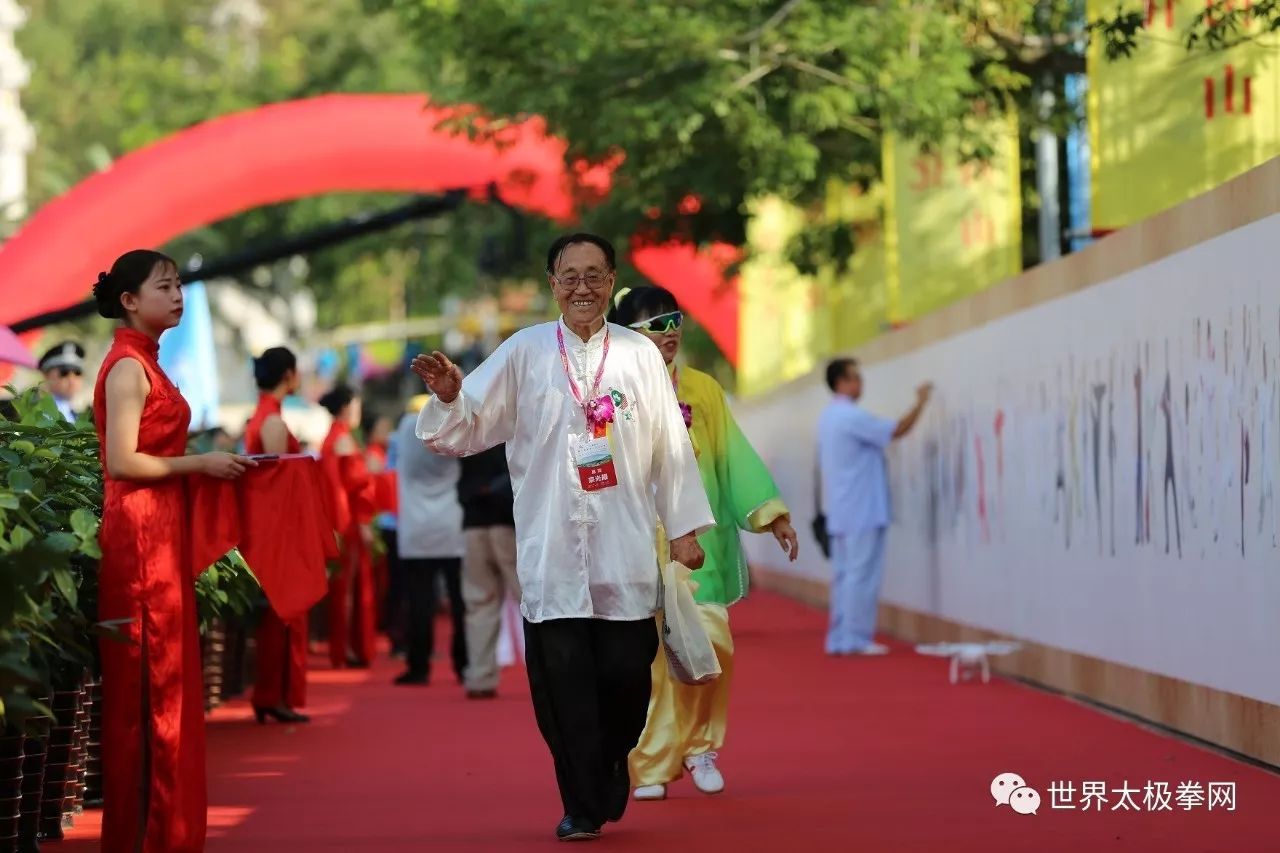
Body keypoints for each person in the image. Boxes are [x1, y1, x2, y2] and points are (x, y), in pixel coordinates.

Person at [412, 233, 714, 842]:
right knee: (564, 691)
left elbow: (670, 449)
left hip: (624, 554)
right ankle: (580, 803)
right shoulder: (523, 352)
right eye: (569, 275)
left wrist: (683, 529)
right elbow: (466, 427)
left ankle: (608, 766)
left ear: (611, 282)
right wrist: (450, 395)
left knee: (629, 681)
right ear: (553, 283)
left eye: (594, 275)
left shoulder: (638, 355)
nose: (582, 287)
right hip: (550, 557)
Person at [91, 249, 256, 851]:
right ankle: (151, 836)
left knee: (167, 688)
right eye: (166, 286)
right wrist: (202, 462)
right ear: (130, 301)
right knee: (150, 691)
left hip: (158, 531)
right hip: (138, 537)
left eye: (180, 285)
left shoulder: (146, 362)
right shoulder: (127, 367)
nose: (179, 295)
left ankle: (167, 830)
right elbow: (123, 461)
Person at [610, 285, 799, 802]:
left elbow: (733, 457)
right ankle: (649, 766)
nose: (669, 332)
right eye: (654, 323)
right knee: (650, 659)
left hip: (702, 545)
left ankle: (700, 747)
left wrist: (770, 515)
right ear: (627, 334)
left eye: (673, 319)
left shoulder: (704, 390)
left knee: (711, 644)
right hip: (635, 544)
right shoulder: (609, 394)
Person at [817, 357, 932, 656]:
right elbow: (896, 430)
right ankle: (855, 638)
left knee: (845, 576)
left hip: (842, 510)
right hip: (861, 509)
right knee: (860, 576)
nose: (861, 383)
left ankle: (840, 637)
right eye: (855, 377)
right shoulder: (850, 417)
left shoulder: (829, 417)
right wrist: (920, 403)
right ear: (841, 382)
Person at [245, 347, 311, 724]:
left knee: (279, 615)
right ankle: (272, 694)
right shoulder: (270, 421)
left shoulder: (267, 416)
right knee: (282, 615)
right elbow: (276, 485)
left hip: (275, 527)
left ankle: (273, 694)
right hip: (277, 529)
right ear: (289, 374)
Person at [392, 400, 467, 686]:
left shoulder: (408, 425)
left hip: (416, 527)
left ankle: (418, 666)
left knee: (419, 602)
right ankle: (464, 664)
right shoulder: (457, 425)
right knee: (460, 601)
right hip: (452, 523)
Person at [318, 384, 377, 669]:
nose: (358, 411)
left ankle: (344, 648)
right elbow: (356, 485)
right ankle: (348, 649)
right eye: (355, 406)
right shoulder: (343, 441)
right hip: (348, 521)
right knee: (349, 589)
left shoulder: (332, 439)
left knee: (343, 589)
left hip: (337, 520)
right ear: (345, 408)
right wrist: (363, 521)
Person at [457, 442, 518, 699]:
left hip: (473, 523)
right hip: (508, 523)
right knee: (533, 602)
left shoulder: (467, 427)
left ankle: (479, 677)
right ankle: (553, 671)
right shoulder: (509, 423)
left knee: (479, 602)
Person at [37, 339, 85, 422]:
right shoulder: (35, 412)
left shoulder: (78, 417)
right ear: (46, 376)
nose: (72, 379)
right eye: (64, 372)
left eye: (77, 372)